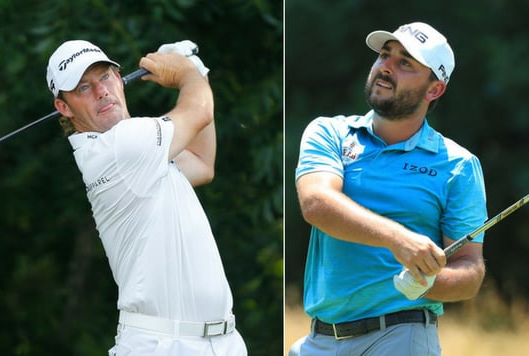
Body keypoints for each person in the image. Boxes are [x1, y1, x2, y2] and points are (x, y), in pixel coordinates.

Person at [290, 22, 487, 355]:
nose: (386, 67)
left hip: (401, 334)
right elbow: (316, 203)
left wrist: (428, 282)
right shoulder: (330, 133)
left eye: (405, 62)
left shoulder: (458, 165)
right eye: (385, 55)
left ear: (434, 90)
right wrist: (398, 239)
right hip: (320, 339)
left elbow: (470, 269)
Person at [46, 39, 247, 355]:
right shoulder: (119, 146)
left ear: (119, 79)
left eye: (105, 77)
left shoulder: (139, 153)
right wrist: (186, 75)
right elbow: (199, 111)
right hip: (164, 345)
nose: (101, 92)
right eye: (83, 88)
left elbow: (201, 162)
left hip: (218, 342)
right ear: (64, 108)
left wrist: (197, 72)